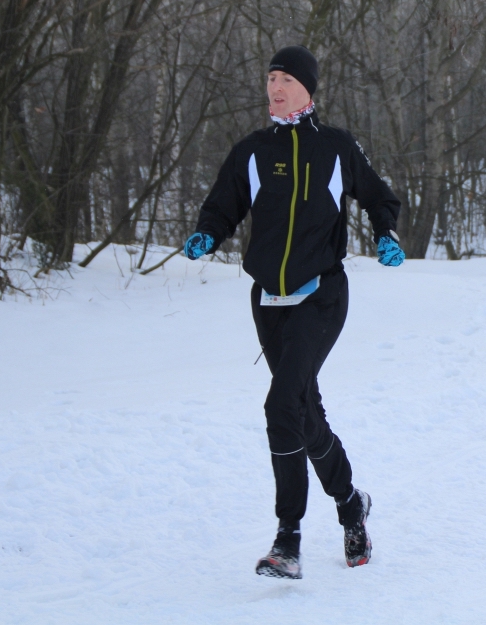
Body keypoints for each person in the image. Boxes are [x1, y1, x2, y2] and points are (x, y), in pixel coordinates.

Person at [183, 45, 404, 579]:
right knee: (303, 413)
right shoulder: (252, 151)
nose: (275, 87)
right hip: (268, 300)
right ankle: (351, 504)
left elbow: (378, 195)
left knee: (282, 402)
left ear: (307, 88)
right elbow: (224, 203)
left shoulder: (336, 147)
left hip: (321, 294)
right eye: (270, 79)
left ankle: (288, 539)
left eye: (285, 79)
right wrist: (208, 232)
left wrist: (386, 233)